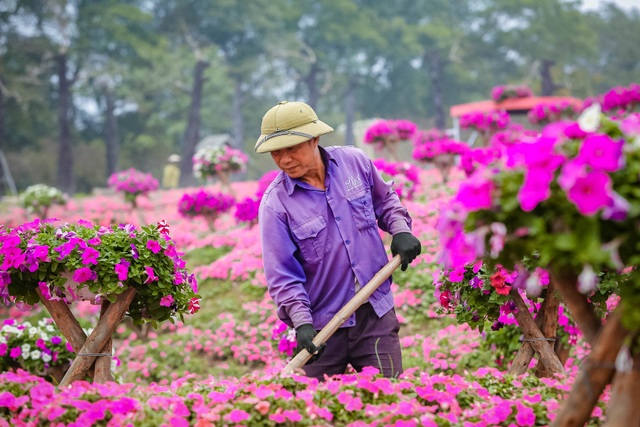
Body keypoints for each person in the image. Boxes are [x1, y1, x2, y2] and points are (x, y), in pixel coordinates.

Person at [256, 101, 422, 379]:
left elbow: (386, 202)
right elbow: (282, 276)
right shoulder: (275, 205)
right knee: (312, 413)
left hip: (375, 314)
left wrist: (400, 229)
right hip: (321, 328)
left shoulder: (354, 163)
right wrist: (302, 323)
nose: (284, 160)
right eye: (276, 152)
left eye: (291, 149)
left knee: (390, 400)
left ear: (314, 139)